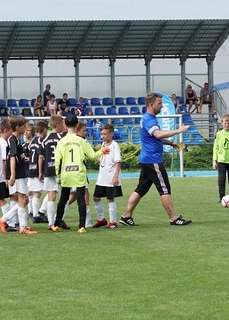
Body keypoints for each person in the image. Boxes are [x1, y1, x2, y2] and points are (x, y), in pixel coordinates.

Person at [119, 92, 191, 227]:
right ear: (151, 104)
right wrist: (178, 130)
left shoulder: (150, 118)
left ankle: (126, 216)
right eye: (159, 103)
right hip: (153, 161)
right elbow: (157, 134)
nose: (162, 106)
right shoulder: (149, 119)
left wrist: (171, 143)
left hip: (147, 160)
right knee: (164, 189)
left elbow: (155, 137)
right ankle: (174, 218)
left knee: (141, 189)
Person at [51, 114, 103, 233]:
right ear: (77, 124)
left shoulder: (62, 141)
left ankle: (56, 224)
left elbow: (57, 159)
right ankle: (81, 226)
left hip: (66, 173)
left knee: (63, 199)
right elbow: (92, 156)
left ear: (65, 123)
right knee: (81, 198)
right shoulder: (81, 140)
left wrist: (58, 174)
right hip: (78, 172)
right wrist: (102, 151)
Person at [0, 115, 36, 235]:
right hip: (17, 174)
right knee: (23, 199)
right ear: (18, 127)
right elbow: (12, 158)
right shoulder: (13, 140)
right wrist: (12, 175)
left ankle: (4, 220)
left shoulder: (16, 139)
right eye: (24, 126)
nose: (25, 128)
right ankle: (22, 227)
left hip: (20, 173)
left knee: (24, 200)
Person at [91, 123, 122, 229]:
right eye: (101, 134)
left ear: (111, 134)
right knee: (96, 197)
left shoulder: (114, 145)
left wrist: (116, 176)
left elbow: (117, 161)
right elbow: (103, 159)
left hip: (110, 176)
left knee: (110, 198)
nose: (102, 136)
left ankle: (113, 222)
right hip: (102, 177)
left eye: (105, 134)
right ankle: (101, 219)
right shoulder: (103, 145)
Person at [38, 114, 64, 227]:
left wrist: (40, 172)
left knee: (51, 195)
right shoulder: (62, 138)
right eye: (62, 124)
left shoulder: (45, 139)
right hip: (61, 169)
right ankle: (59, 219)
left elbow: (40, 157)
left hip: (48, 168)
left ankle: (51, 223)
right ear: (58, 125)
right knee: (66, 194)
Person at [25, 120, 47, 223]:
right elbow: (40, 157)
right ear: (44, 130)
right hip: (37, 168)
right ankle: (35, 215)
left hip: (31, 168)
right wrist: (40, 171)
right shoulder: (41, 141)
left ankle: (32, 213)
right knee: (37, 193)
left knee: (32, 191)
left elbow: (30, 156)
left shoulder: (32, 141)